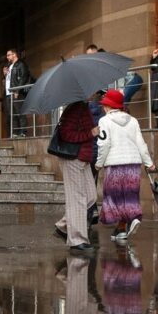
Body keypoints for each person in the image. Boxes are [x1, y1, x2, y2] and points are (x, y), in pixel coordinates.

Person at [96, 89, 155, 240]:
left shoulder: (104, 121)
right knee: (129, 195)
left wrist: (98, 163)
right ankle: (123, 228)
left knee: (114, 197)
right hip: (133, 164)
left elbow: (104, 145)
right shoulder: (133, 120)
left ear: (109, 106)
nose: (103, 107)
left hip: (114, 164)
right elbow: (141, 144)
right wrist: (149, 163)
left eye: (104, 104)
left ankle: (131, 219)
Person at [52, 101, 100, 254]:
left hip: (83, 159)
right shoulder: (74, 108)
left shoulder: (83, 107)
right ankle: (77, 241)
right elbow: (66, 134)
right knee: (77, 200)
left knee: (91, 197)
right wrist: (90, 133)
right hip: (73, 158)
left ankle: (64, 226)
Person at [5, 48, 33, 137]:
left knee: (20, 112)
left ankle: (23, 132)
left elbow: (23, 78)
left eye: (9, 55)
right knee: (12, 114)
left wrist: (17, 90)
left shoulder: (21, 64)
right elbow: (10, 79)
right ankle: (15, 132)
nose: (7, 57)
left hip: (16, 92)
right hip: (9, 93)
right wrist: (5, 74)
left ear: (14, 54)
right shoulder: (10, 65)